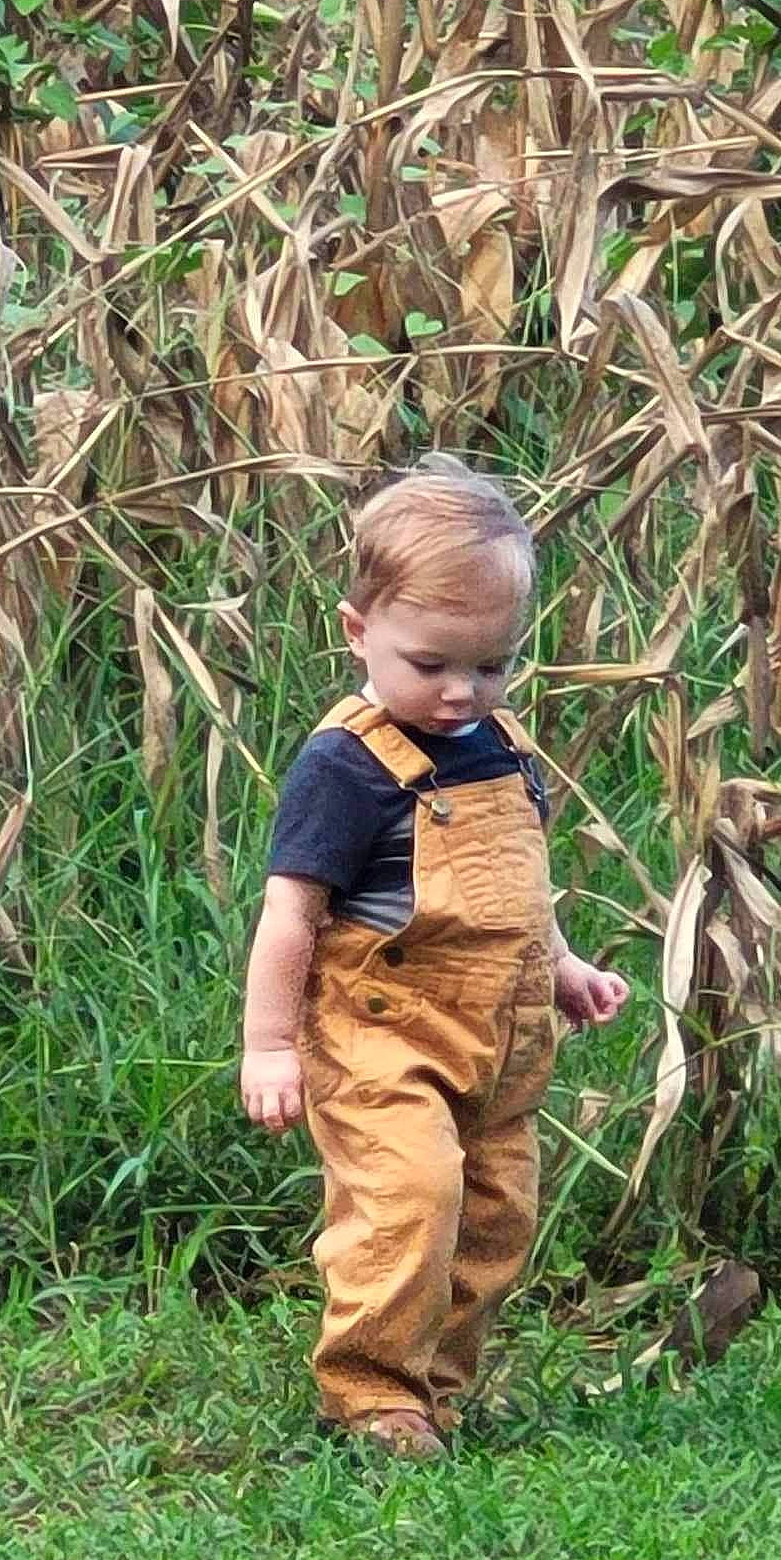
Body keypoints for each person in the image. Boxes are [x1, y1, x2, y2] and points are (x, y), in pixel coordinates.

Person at [240, 460, 630, 1459]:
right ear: (357, 629)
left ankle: (434, 1391)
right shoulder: (346, 765)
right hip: (380, 1032)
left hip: (501, 1036)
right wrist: (272, 1045)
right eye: (432, 664)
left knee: (494, 1215)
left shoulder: (498, 744)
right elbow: (292, 914)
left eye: (491, 665)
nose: (463, 691)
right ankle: (371, 1396)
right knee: (411, 1195)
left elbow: (514, 885)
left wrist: (563, 964)